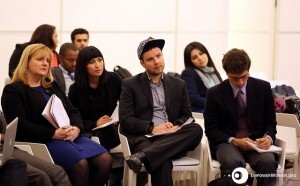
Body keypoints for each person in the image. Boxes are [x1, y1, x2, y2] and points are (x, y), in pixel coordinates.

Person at [1, 44, 112, 186]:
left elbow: (73, 111)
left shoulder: (51, 85)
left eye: (48, 60)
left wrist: (76, 128)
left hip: (69, 136)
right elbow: (20, 126)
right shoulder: (14, 90)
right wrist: (53, 134)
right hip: (44, 141)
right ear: (26, 62)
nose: (45, 64)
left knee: (105, 159)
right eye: (40, 59)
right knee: (80, 164)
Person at [119, 37, 203, 186]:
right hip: (145, 138)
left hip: (173, 138)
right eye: (150, 59)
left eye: (159, 56)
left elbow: (186, 116)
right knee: (162, 161)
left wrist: (176, 126)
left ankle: (143, 156)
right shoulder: (130, 84)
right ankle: (148, 153)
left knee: (196, 129)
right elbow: (126, 120)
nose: (157, 62)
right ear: (142, 63)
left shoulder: (178, 84)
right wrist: (153, 128)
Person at [204, 48, 278, 186]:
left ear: (248, 70)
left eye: (244, 76)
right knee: (232, 162)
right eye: (235, 78)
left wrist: (268, 138)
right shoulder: (214, 93)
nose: (240, 83)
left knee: (267, 162)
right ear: (226, 74)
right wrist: (234, 141)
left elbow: (270, 123)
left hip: (256, 143)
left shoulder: (263, 88)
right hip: (227, 143)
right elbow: (211, 130)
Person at [68, 46, 123, 185]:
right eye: (92, 62)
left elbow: (127, 101)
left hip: (113, 126)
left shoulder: (113, 79)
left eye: (100, 60)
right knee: (99, 138)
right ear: (83, 66)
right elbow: (74, 117)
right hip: (89, 129)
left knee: (108, 133)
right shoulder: (75, 89)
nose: (98, 65)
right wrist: (95, 123)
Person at [181, 41, 222, 113]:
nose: (200, 58)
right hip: (202, 112)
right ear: (190, 61)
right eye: (194, 57)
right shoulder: (188, 73)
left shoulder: (213, 71)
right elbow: (193, 98)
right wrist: (216, 104)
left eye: (201, 53)